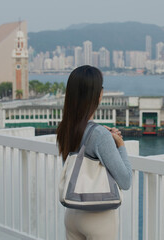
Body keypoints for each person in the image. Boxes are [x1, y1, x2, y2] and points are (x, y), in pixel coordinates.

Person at [56, 65, 132, 240]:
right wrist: (120, 144)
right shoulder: (99, 134)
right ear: (98, 94)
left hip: (72, 213)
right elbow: (125, 180)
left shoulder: (66, 128)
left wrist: (101, 133)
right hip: (98, 218)